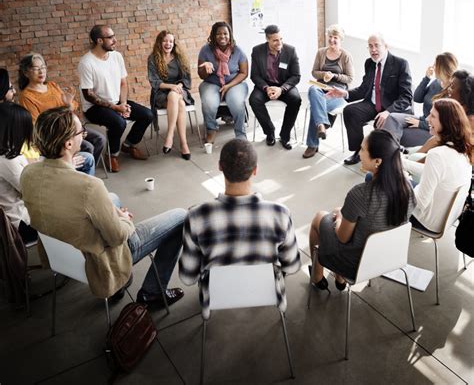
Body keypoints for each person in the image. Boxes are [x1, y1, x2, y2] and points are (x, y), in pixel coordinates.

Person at [20, 107, 186, 307]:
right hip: (98, 260)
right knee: (181, 217)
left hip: (61, 254)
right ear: (68, 143)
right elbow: (117, 237)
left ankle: (120, 287)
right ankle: (153, 292)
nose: (85, 135)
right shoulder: (89, 186)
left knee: (112, 197)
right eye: (82, 132)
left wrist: (111, 209)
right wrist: (123, 219)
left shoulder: (28, 173)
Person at [179, 138, 301, 318]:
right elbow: (291, 266)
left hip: (215, 297)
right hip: (267, 293)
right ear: (255, 170)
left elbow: (188, 277)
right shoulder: (280, 213)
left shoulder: (196, 216)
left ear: (220, 166)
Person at [308, 129, 415, 290]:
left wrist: (338, 218)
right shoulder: (407, 187)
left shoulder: (360, 194)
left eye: (363, 150)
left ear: (378, 161)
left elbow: (342, 238)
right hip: (389, 257)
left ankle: (317, 276)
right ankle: (339, 279)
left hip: (355, 264)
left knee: (320, 217)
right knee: (344, 214)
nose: (359, 154)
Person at [327, 33, 413, 165]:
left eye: (376, 45)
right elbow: (363, 89)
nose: (373, 50)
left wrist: (388, 111)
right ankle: (358, 151)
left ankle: (388, 159)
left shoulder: (400, 64)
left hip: (392, 108)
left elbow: (406, 96)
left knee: (386, 123)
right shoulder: (369, 63)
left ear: (385, 46)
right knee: (350, 111)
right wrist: (344, 93)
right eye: (370, 46)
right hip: (372, 104)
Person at [78, 25, 153, 173]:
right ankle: (112, 155)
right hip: (94, 107)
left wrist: (123, 104)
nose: (115, 40)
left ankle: (129, 145)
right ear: (99, 40)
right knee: (118, 123)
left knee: (147, 115)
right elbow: (89, 95)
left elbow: (123, 83)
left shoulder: (116, 56)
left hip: (117, 101)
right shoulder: (86, 63)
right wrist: (115, 108)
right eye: (111, 37)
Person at [18, 53, 106, 166]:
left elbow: (72, 107)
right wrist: (73, 132)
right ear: (26, 72)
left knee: (99, 139)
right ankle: (72, 171)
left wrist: (68, 104)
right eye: (36, 68)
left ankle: (86, 169)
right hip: (54, 135)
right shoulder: (26, 96)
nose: (41, 71)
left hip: (70, 126)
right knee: (88, 147)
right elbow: (38, 125)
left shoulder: (52, 86)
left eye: (43, 67)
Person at [405, 99, 472, 234]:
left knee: (376, 178)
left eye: (433, 116)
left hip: (425, 220)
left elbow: (420, 203)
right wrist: (402, 163)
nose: (427, 118)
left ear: (446, 122)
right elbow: (433, 173)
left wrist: (403, 177)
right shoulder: (463, 150)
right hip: (445, 220)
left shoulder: (437, 155)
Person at [383, 52, 457, 148]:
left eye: (435, 65)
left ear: (442, 68)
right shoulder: (436, 82)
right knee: (392, 118)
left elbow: (445, 125)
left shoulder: (453, 91)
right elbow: (417, 98)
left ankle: (389, 153)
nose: (433, 67)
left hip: (432, 130)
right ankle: (388, 151)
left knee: (398, 133)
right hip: (423, 119)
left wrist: (420, 124)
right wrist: (426, 78)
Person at [303, 24, 354, 158]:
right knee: (313, 90)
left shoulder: (346, 56)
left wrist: (335, 76)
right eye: (330, 37)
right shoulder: (321, 52)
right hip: (320, 89)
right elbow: (314, 72)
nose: (332, 40)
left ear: (340, 39)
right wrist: (324, 75)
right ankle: (322, 124)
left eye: (335, 37)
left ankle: (312, 144)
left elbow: (350, 78)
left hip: (338, 92)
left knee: (316, 106)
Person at [249, 25, 302, 150]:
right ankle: (269, 132)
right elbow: (255, 75)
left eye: (281, 39)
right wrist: (266, 88)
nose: (280, 43)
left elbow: (296, 76)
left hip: (284, 85)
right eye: (275, 40)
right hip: (265, 85)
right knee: (254, 100)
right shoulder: (257, 51)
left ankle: (285, 135)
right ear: (267, 39)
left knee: (296, 99)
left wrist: (282, 89)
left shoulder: (290, 51)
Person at [197, 21, 249, 143]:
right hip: (212, 82)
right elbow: (201, 75)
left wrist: (228, 86)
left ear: (230, 35)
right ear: (213, 36)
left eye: (225, 33)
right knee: (209, 102)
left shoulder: (238, 51)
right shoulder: (206, 50)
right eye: (218, 34)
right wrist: (205, 68)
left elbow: (244, 73)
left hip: (235, 83)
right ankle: (211, 129)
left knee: (236, 102)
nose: (222, 36)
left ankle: (240, 133)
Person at [148, 30, 193, 160]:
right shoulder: (153, 59)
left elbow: (186, 78)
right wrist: (171, 86)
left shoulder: (180, 57)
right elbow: (154, 81)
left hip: (179, 90)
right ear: (160, 43)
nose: (168, 44)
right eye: (165, 41)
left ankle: (170, 136)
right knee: (180, 103)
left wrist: (177, 86)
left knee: (175, 96)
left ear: (174, 43)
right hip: (161, 93)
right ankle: (183, 144)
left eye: (171, 41)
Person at [0, 103, 38, 244]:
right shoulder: (8, 160)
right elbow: (32, 192)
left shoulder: (8, 152)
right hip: (20, 224)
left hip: (15, 215)